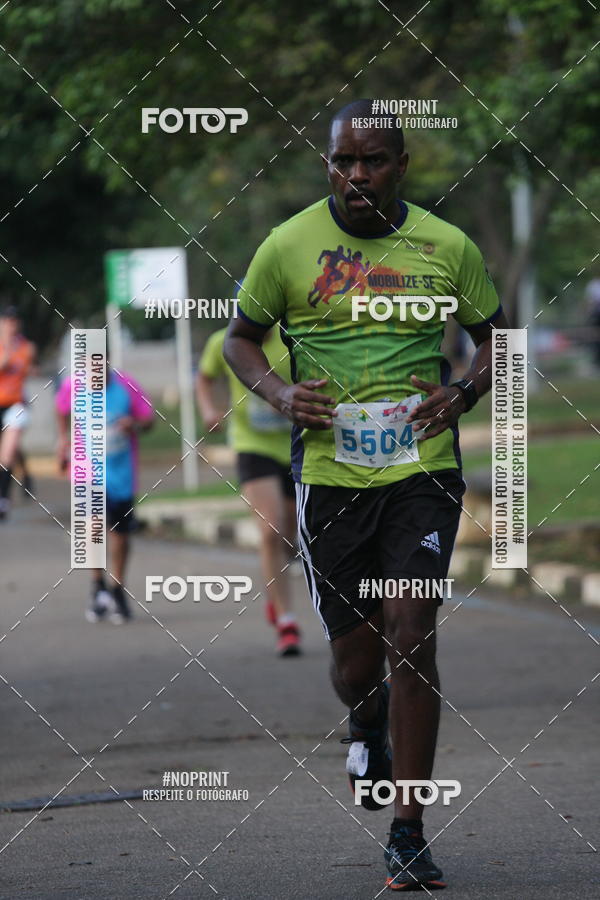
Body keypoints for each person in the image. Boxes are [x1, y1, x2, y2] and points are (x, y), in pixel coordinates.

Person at [223, 99, 509, 891]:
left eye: (372, 160)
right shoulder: (287, 246)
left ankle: (408, 831)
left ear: (401, 166)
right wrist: (280, 393)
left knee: (411, 633)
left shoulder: (447, 246)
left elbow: (498, 339)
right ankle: (364, 718)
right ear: (328, 166)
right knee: (357, 661)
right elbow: (240, 339)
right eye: (342, 161)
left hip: (422, 472)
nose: (356, 175)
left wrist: (465, 390)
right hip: (330, 480)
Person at [196, 324, 302, 656]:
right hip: (251, 444)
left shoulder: (294, 337)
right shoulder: (224, 341)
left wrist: (287, 396)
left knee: (291, 535)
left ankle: (274, 592)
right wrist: (208, 410)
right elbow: (204, 377)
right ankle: (286, 620)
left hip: (296, 444)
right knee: (271, 530)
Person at [56, 358, 154, 623]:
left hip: (121, 474)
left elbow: (148, 420)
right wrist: (63, 440)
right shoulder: (73, 386)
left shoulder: (127, 386)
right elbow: (61, 409)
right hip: (87, 471)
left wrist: (133, 424)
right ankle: (98, 586)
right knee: (93, 527)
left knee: (120, 535)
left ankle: (117, 588)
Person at [0, 305, 35, 520]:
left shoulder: (26, 347)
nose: (11, 325)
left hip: (16, 404)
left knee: (7, 452)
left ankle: (3, 498)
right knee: (11, 450)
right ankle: (26, 473)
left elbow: (27, 370)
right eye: (7, 321)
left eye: (14, 321)